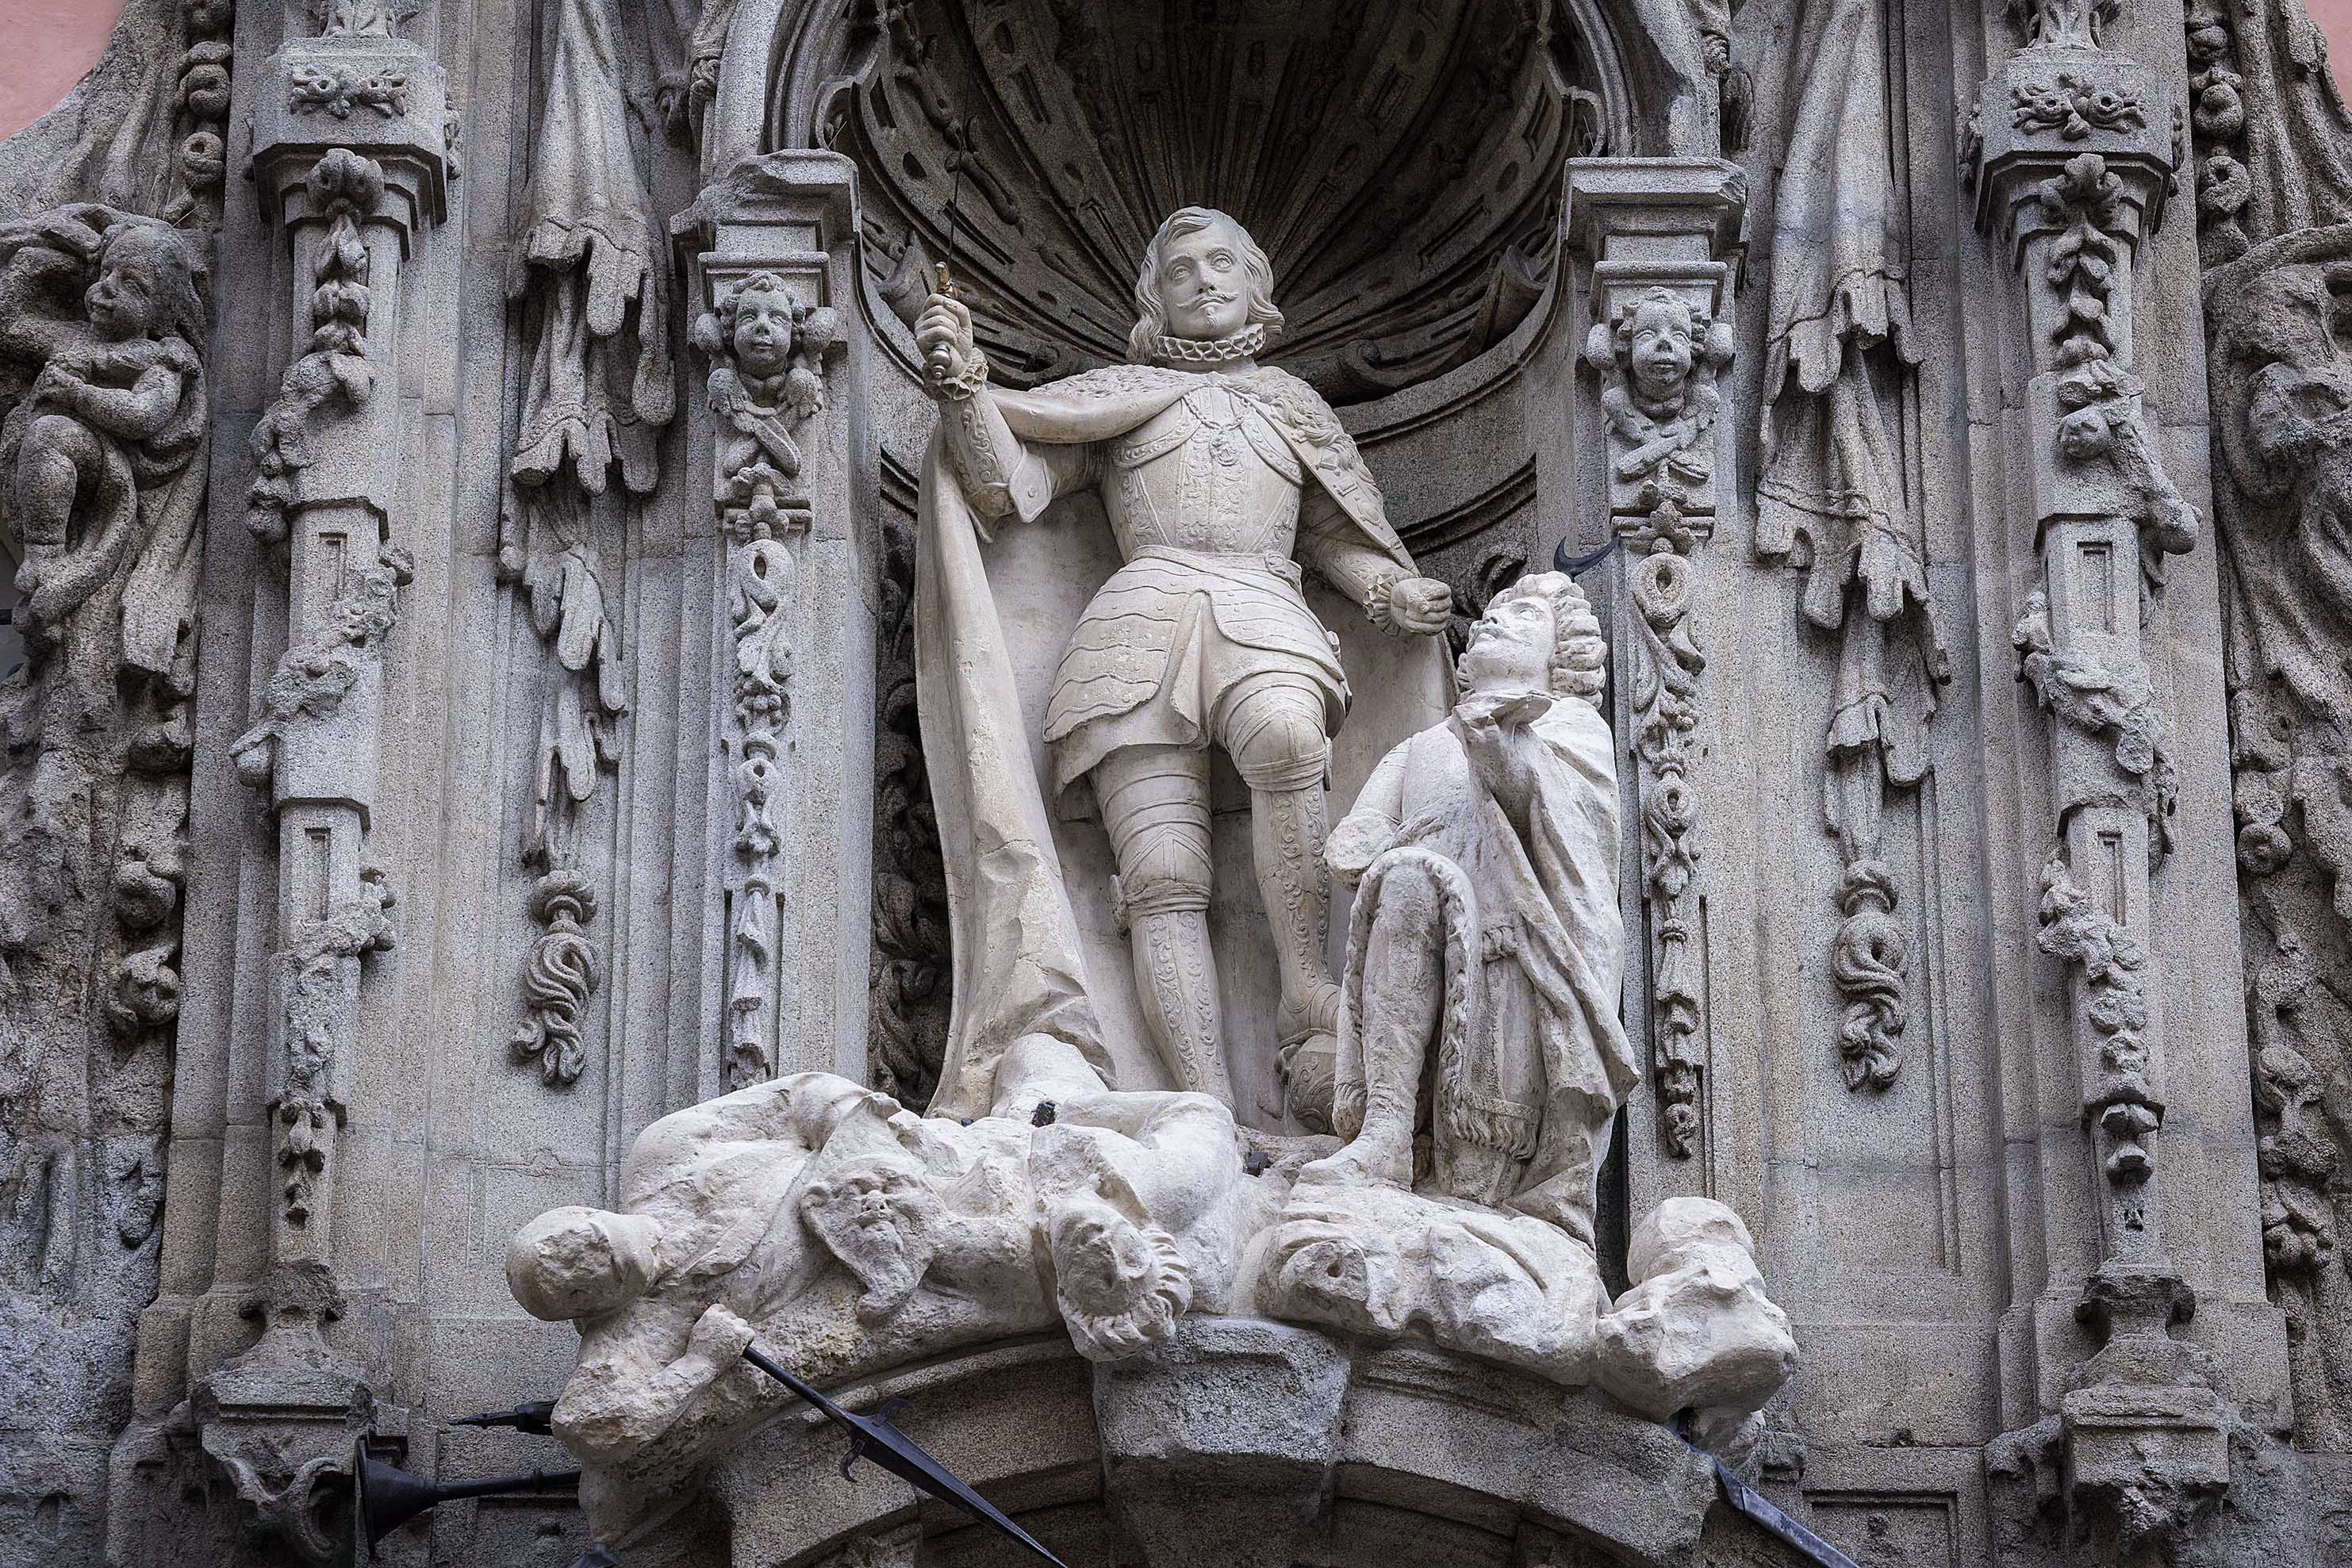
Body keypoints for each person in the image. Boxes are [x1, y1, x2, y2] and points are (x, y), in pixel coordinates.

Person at [913, 207, 1452, 1115]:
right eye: (1179, 271)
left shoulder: (1293, 410)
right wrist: (963, 386)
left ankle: (1304, 987)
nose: (1201, 281)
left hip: (1262, 605)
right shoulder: (1115, 396)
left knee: (1286, 732)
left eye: (1220, 265)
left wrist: (1386, 593)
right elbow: (1008, 486)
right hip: (1136, 627)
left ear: (1255, 287)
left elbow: (1332, 535)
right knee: (1161, 875)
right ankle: (1201, 1108)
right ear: (1152, 300)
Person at [1301, 572, 1639, 1246]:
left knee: (1410, 877)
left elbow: (1567, 839)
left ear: (1559, 656)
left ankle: (1467, 1175)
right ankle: (1388, 1133)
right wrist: (1382, 839)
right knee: (1404, 878)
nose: (1488, 622)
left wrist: (1502, 752)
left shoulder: (1572, 728)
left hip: (1516, 965)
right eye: (1488, 613)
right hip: (1422, 925)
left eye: (1517, 617)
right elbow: (1350, 847)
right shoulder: (1421, 746)